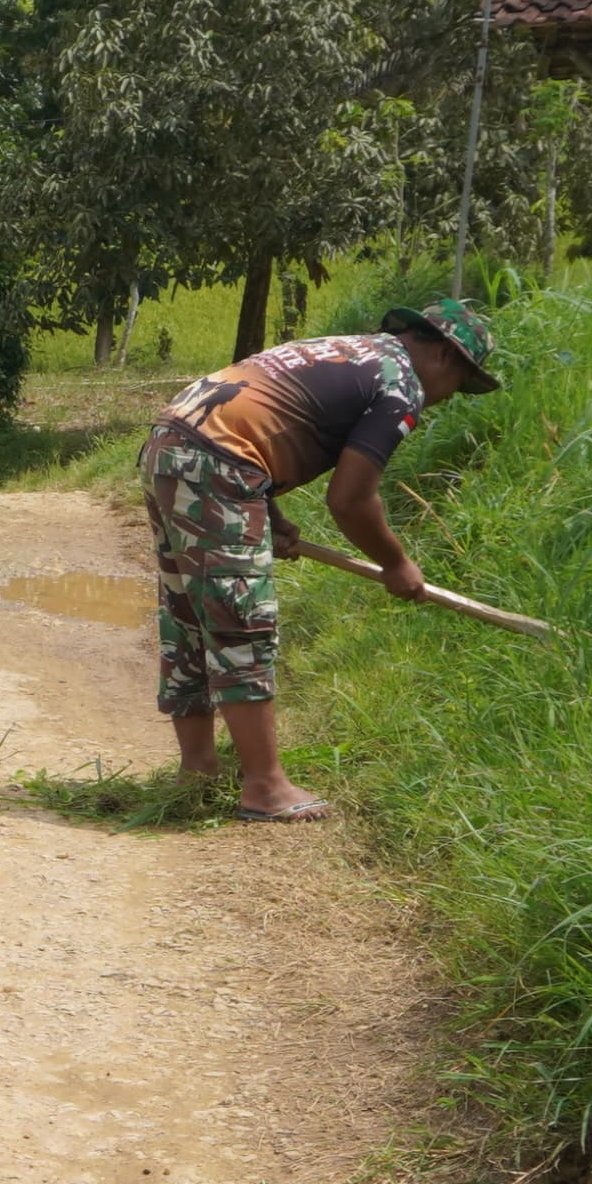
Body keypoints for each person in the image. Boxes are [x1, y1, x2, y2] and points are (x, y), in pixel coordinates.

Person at [139, 299, 499, 820]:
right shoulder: (401, 385)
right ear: (445, 355)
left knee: (190, 610)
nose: (447, 398)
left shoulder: (348, 351)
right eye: (459, 384)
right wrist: (396, 563)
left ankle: (198, 768)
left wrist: (268, 512)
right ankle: (265, 788)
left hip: (172, 443)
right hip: (219, 461)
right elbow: (350, 500)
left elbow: (253, 417)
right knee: (240, 620)